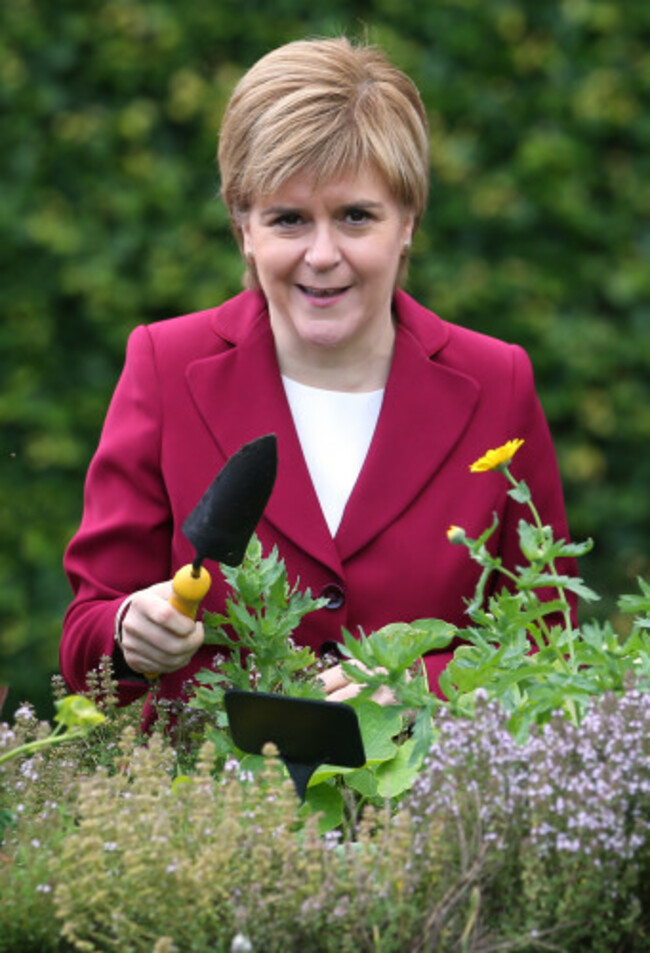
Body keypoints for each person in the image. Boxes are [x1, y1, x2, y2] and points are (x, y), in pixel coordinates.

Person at [61, 37, 575, 721]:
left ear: (408, 223)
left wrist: (423, 687)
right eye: (289, 219)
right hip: (215, 816)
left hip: (439, 817)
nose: (322, 254)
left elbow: (551, 650)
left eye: (356, 216)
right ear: (245, 227)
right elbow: (85, 641)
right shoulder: (165, 365)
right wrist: (129, 630)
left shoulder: (497, 381)